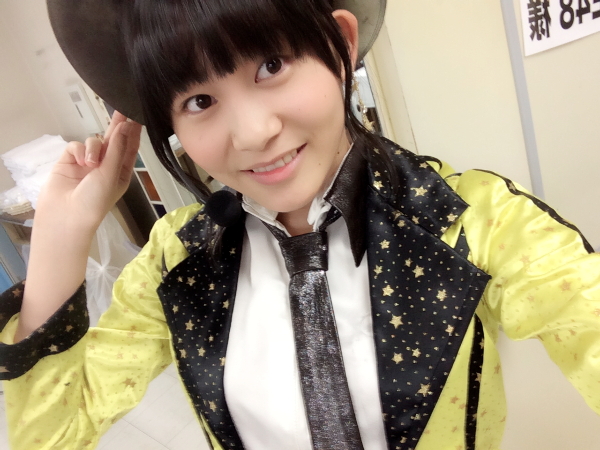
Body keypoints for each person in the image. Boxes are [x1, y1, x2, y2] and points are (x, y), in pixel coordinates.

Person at [0, 0, 599, 449]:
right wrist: (60, 234)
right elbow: (54, 431)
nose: (253, 133)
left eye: (271, 64)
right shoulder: (176, 260)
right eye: (199, 101)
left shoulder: (472, 221)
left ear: (340, 46)